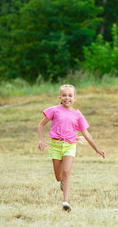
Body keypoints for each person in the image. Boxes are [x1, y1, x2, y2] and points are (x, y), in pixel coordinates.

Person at [37, 84, 106, 212]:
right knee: (59, 176)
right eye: (64, 95)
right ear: (59, 97)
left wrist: (97, 149)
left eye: (70, 95)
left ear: (74, 98)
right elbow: (40, 125)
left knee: (67, 172)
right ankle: (61, 181)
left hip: (69, 145)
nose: (67, 98)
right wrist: (42, 140)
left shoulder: (77, 114)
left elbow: (86, 133)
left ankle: (65, 202)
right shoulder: (54, 110)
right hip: (55, 146)